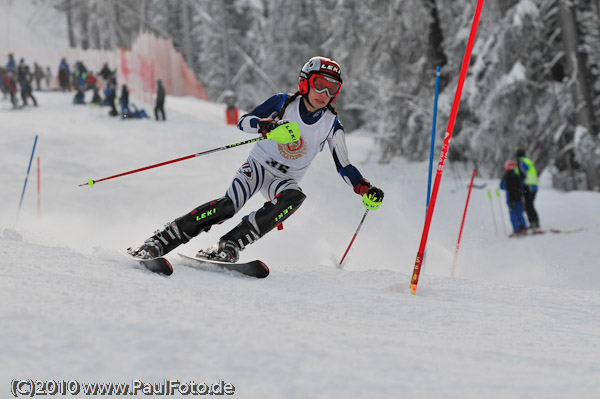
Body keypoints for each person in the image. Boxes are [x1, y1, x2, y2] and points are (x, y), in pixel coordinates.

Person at [128, 56, 384, 263]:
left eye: (332, 88)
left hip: (284, 180)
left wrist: (364, 188)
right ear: (305, 83)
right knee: (228, 206)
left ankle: (230, 244)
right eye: (319, 84)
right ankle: (160, 240)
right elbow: (243, 122)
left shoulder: (331, 125)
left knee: (294, 198)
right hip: (258, 167)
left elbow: (344, 165)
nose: (324, 93)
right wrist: (268, 126)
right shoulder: (283, 103)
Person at [500, 160, 527, 237]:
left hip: (510, 199)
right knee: (520, 213)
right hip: (518, 198)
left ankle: (517, 229)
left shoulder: (506, 177)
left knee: (513, 215)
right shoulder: (517, 176)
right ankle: (523, 228)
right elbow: (522, 184)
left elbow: (502, 187)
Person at [515, 149, 540, 229]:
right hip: (534, 185)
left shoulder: (521, 162)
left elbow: (522, 174)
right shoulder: (528, 161)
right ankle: (536, 222)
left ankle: (532, 223)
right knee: (531, 205)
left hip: (528, 186)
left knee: (528, 205)